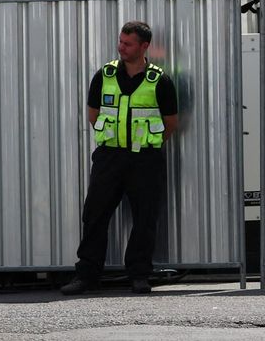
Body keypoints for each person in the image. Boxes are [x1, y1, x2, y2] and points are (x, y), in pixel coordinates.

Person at [61, 21, 179, 295]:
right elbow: (93, 116)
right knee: (94, 216)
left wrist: (146, 143)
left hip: (145, 160)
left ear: (144, 46)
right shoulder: (104, 75)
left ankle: (139, 275)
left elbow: (170, 122)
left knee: (144, 218)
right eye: (120, 41)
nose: (121, 47)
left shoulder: (159, 80)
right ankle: (87, 276)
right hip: (109, 158)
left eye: (128, 43)